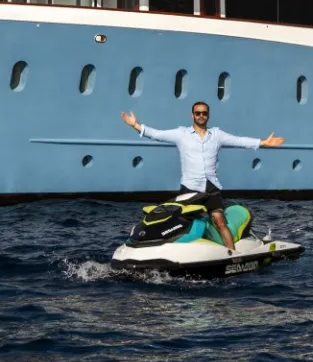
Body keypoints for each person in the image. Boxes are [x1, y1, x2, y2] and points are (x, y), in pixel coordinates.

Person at [121, 102, 284, 253]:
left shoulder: (217, 135)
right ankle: (175, 252)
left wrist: (264, 143)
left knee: (219, 221)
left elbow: (239, 141)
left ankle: (232, 255)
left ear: (208, 115)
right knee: (180, 222)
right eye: (197, 113)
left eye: (204, 113)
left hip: (211, 187)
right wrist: (136, 125)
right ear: (192, 115)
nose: (201, 115)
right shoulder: (181, 134)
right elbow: (157, 134)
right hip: (189, 188)